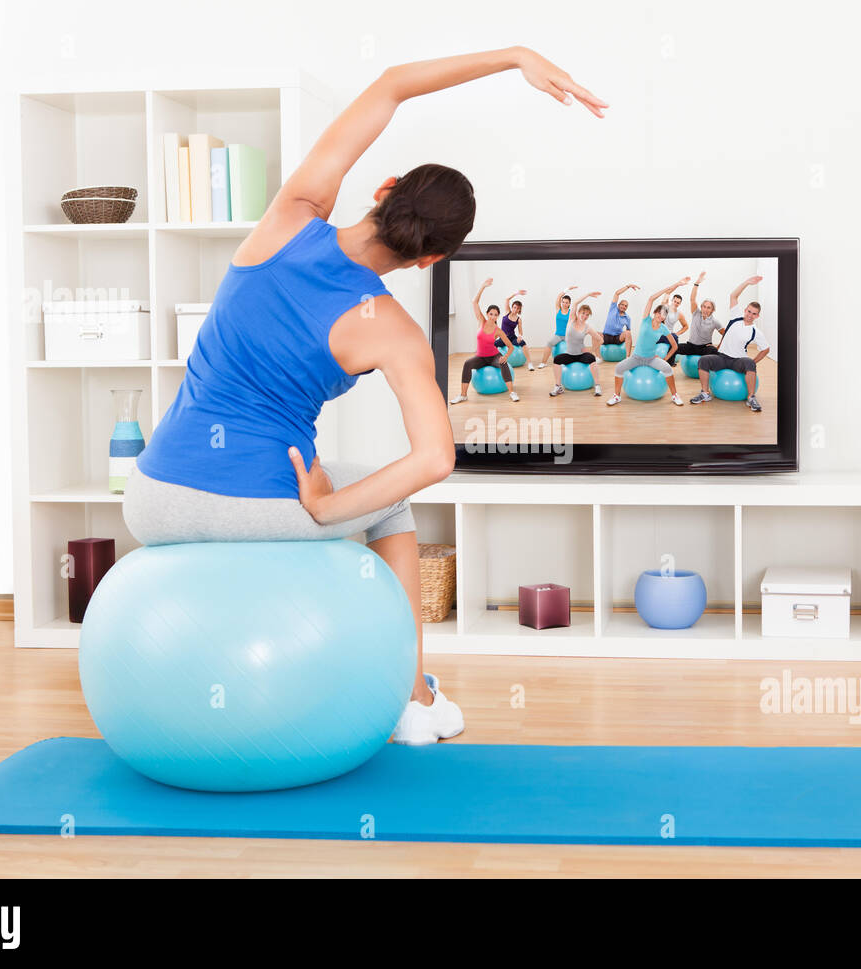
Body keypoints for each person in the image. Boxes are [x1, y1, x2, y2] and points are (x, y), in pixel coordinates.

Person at [123, 47, 606, 747]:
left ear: (383, 188)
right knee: (394, 502)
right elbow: (436, 457)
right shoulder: (398, 334)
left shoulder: (291, 215)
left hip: (152, 496)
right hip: (257, 499)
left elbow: (392, 85)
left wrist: (514, 58)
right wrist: (327, 505)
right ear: (432, 258)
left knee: (367, 493)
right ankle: (414, 699)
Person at [690, 274, 768, 411]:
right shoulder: (736, 317)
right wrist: (747, 282)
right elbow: (733, 296)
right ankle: (705, 393)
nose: (750, 315)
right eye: (749, 311)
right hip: (722, 357)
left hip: (738, 360)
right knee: (703, 360)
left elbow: (766, 349)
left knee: (749, 363)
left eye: (754, 313)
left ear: (757, 316)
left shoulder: (756, 331)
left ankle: (751, 398)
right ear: (745, 310)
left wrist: (754, 361)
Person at [450, 278, 521, 402]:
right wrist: (483, 286)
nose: (493, 316)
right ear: (487, 314)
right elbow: (474, 302)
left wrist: (506, 356)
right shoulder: (481, 321)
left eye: (495, 314)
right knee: (467, 363)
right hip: (480, 357)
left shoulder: (498, 330)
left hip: (494, 356)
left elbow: (511, 346)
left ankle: (512, 393)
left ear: (497, 316)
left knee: (503, 363)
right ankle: (463, 395)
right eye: (491, 314)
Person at [606, 302, 685, 406]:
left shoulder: (663, 328)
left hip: (651, 359)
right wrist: (670, 287)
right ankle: (617, 396)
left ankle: (675, 395)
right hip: (636, 358)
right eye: (659, 313)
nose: (661, 316)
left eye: (664, 315)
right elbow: (651, 299)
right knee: (619, 368)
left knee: (668, 369)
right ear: (655, 312)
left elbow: (675, 346)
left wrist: (665, 359)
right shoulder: (646, 320)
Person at [548, 296, 604, 396]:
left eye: (587, 315)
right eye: (583, 313)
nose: (585, 316)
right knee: (556, 360)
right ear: (578, 313)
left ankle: (597, 386)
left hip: (581, 354)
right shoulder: (571, 320)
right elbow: (575, 304)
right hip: (569, 354)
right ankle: (558, 387)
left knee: (592, 359)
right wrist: (588, 294)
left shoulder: (587, 328)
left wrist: (591, 350)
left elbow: (600, 340)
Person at [672, 271, 723, 362]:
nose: (705, 309)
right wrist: (696, 283)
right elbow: (692, 299)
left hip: (704, 348)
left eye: (708, 308)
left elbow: (725, 334)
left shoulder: (715, 321)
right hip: (691, 346)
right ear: (701, 307)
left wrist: (718, 346)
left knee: (715, 352)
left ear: (712, 310)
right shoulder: (696, 313)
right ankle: (670, 365)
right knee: (673, 347)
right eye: (704, 306)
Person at [536, 284, 580, 368]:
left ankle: (575, 361)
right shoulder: (558, 309)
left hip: (568, 336)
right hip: (558, 335)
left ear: (569, 304)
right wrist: (568, 289)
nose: (564, 304)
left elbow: (577, 323)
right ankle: (543, 362)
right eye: (563, 302)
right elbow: (559, 296)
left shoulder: (571, 312)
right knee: (549, 343)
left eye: (566, 302)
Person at [495, 290, 533, 371]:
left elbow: (520, 331)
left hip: (512, 337)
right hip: (503, 337)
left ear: (519, 310)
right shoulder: (507, 312)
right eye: (515, 307)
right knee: (492, 344)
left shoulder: (518, 319)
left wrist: (520, 336)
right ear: (512, 307)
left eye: (518, 308)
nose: (516, 309)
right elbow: (507, 299)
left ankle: (530, 363)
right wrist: (517, 293)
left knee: (523, 343)